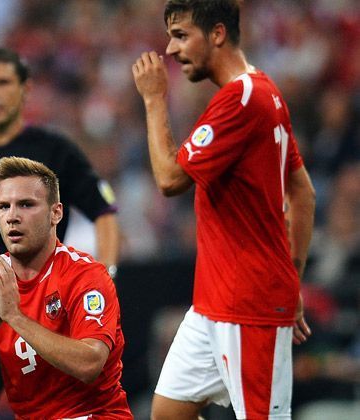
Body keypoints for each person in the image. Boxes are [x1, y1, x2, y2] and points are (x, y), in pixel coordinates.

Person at [131, 1, 316, 419]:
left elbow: (169, 179)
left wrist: (154, 99)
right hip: (212, 305)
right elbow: (303, 193)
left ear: (216, 34)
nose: (170, 49)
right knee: (168, 413)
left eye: (180, 36)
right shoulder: (264, 91)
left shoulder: (242, 101)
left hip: (249, 306)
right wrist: (293, 277)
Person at [0, 47, 120, 418]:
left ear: (24, 89)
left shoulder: (55, 150)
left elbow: (104, 211)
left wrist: (108, 275)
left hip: (50, 299)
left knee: (71, 398)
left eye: (2, 82)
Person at [0, 156, 133, 419]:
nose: (12, 217)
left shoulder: (86, 276)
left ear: (56, 213)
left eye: (26, 205)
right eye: (3, 206)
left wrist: (15, 317)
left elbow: (90, 363)